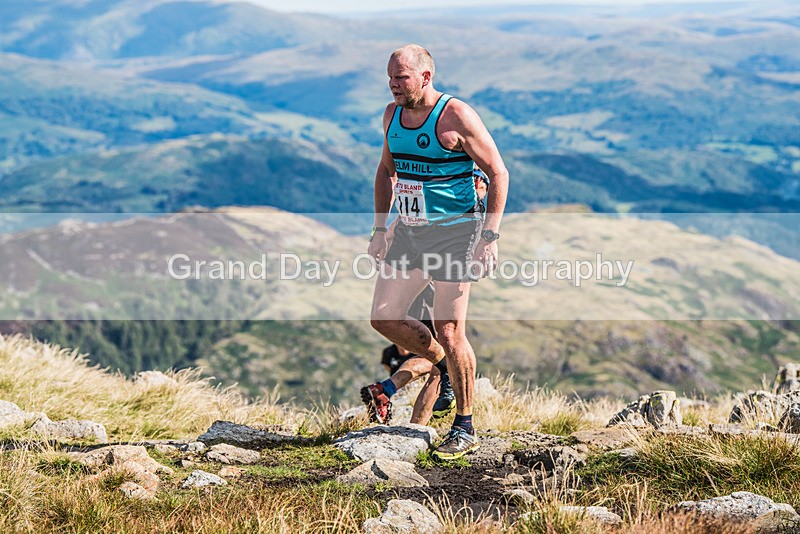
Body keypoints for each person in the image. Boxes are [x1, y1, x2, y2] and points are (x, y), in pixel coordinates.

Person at [362, 44, 509, 460]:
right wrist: (379, 228)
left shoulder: (456, 116)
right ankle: (442, 364)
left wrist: (489, 237)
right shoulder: (392, 116)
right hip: (410, 233)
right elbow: (387, 171)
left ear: (426, 76)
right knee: (384, 316)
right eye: (390, 76)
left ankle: (464, 425)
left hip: (455, 234)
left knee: (449, 329)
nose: (393, 84)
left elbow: (498, 172)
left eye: (401, 77)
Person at [372, 168, 491, 426]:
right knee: (441, 363)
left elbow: (397, 229)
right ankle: (416, 425)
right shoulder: (458, 204)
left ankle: (394, 396)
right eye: (480, 184)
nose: (481, 191)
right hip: (422, 287)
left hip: (415, 281)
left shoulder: (434, 206)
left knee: (440, 357)